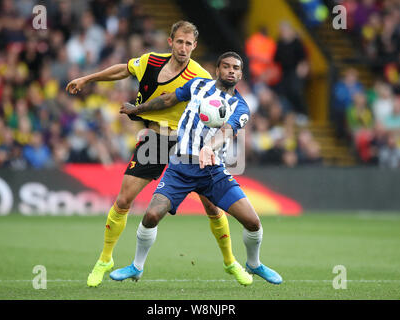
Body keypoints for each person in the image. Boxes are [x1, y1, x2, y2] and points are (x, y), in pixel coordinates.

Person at [66, 21, 243, 287]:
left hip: (187, 145)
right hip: (155, 141)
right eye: (179, 42)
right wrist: (87, 78)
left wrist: (228, 130)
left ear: (195, 46)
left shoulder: (201, 76)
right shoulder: (150, 61)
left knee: (212, 207)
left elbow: (223, 105)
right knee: (124, 199)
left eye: (189, 44)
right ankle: (105, 259)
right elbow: (123, 70)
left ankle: (230, 262)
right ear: (171, 42)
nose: (184, 48)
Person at [113, 52, 283, 286]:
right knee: (151, 215)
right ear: (217, 70)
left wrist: (209, 147)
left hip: (213, 171)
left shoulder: (241, 108)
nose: (231, 71)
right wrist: (138, 109)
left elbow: (227, 131)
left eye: (236, 68)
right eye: (226, 66)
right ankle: (136, 267)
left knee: (253, 223)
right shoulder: (197, 85)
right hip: (180, 167)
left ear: (241, 74)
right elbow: (168, 100)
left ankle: (253, 264)